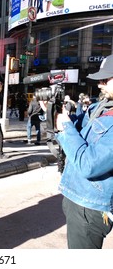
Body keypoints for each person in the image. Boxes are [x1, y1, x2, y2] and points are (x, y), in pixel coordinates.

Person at [55, 54, 113, 248]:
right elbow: (80, 133)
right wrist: (64, 115)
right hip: (79, 199)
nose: (100, 85)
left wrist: (67, 128)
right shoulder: (101, 107)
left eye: (106, 79)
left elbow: (90, 165)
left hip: (90, 206)